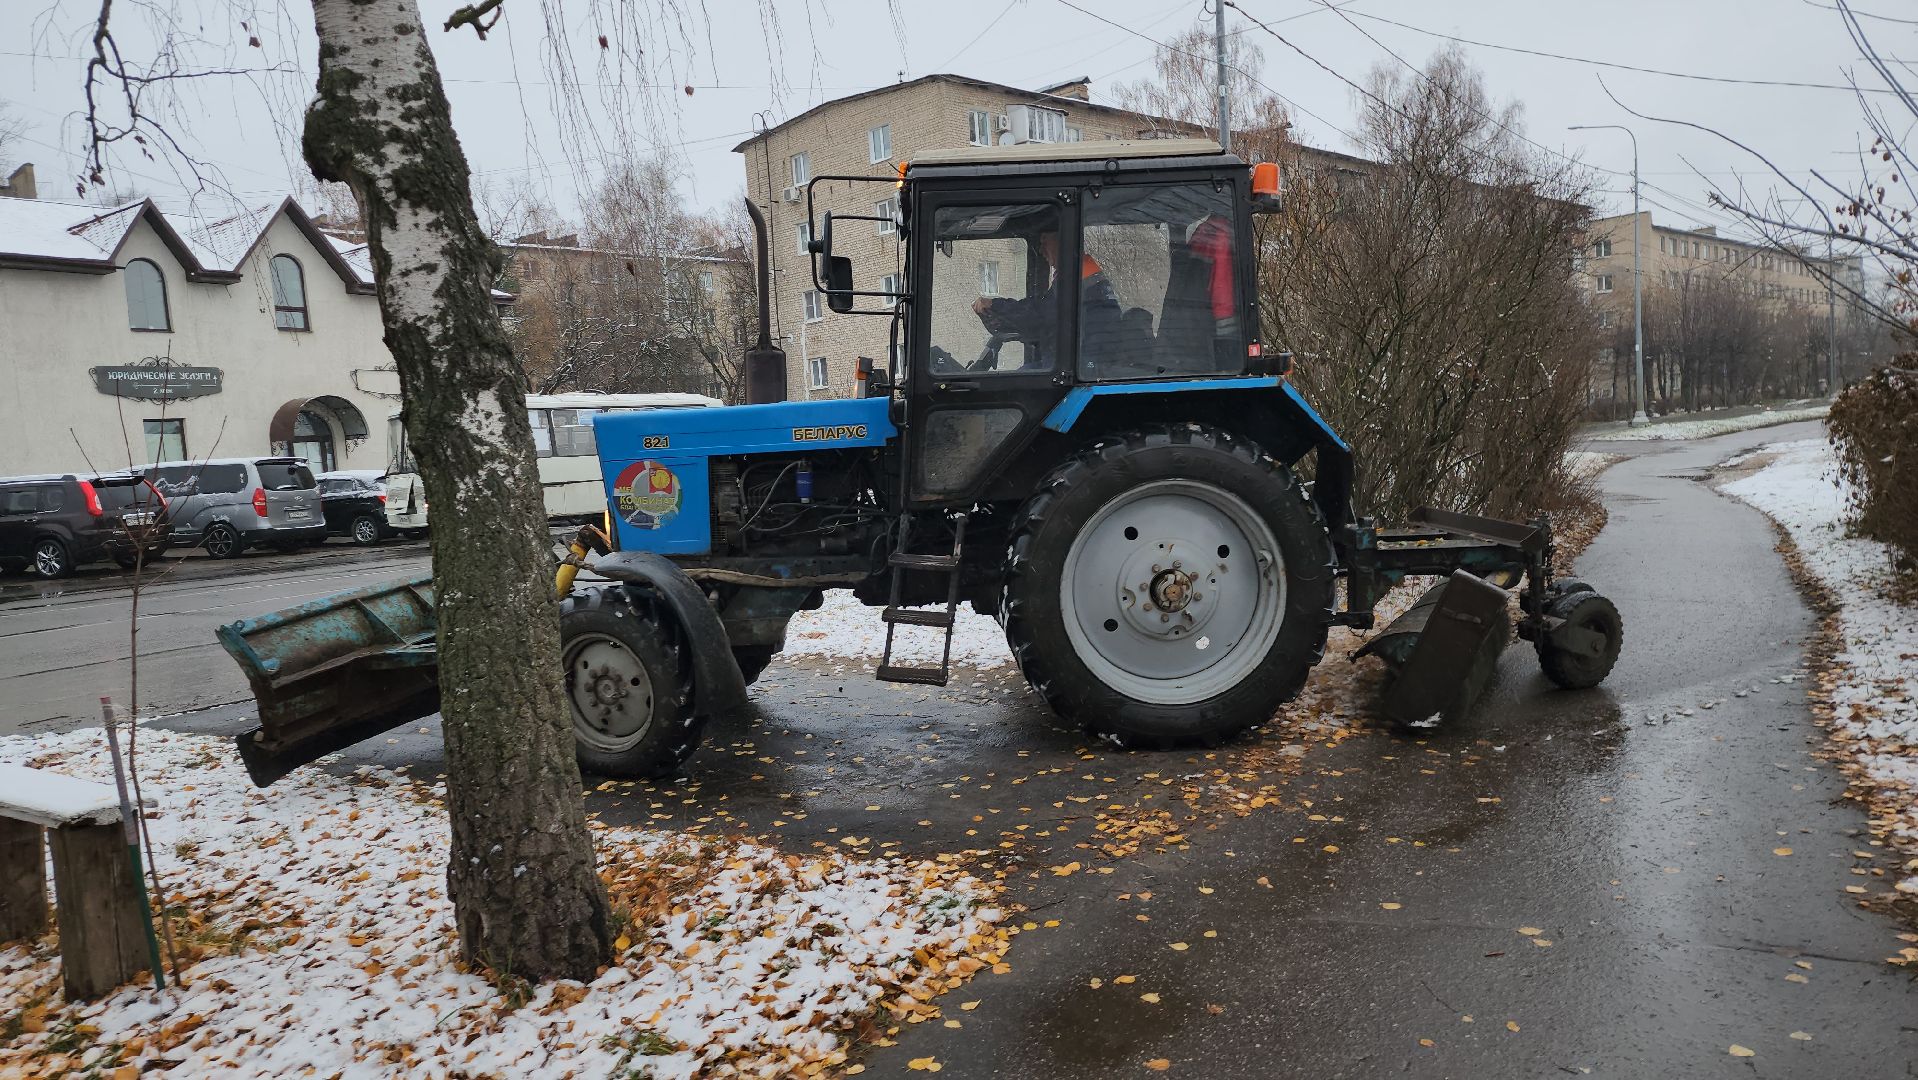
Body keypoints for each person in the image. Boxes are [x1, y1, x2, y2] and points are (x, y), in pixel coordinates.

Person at [969, 231, 1122, 370]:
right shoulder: (1076, 274)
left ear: (1063, 240)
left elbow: (1040, 314)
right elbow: (1044, 314)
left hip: (1082, 365)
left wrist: (995, 305)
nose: (1040, 250)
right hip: (1072, 360)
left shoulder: (1078, 278)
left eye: (1044, 242)